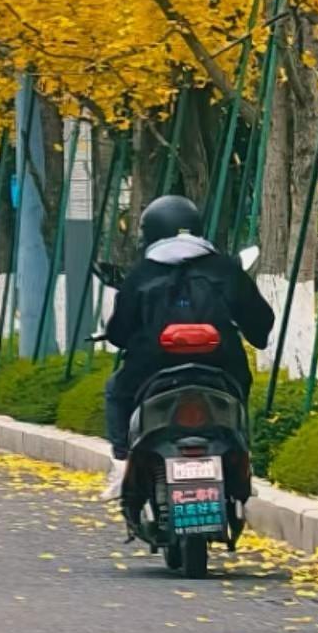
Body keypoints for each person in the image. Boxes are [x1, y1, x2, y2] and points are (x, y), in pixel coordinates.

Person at [101, 194, 274, 500]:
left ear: (150, 232)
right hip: (221, 366)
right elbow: (260, 320)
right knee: (238, 392)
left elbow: (118, 333)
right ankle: (244, 461)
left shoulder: (142, 274)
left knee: (117, 390)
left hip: (151, 370)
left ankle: (121, 465)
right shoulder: (224, 269)